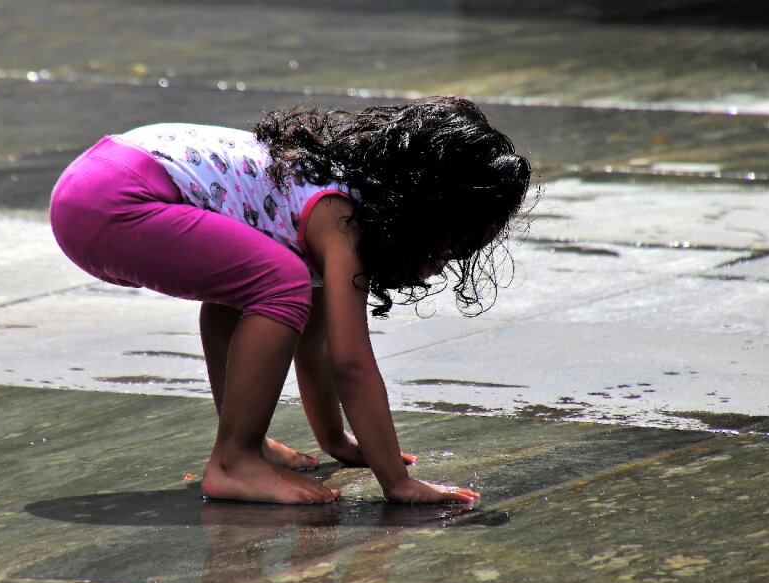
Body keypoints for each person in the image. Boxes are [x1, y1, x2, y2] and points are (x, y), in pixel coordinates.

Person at [49, 96, 531, 505]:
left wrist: (336, 441)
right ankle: (234, 460)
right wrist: (398, 481)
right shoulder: (340, 218)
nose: (449, 259)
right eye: (454, 243)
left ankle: (245, 444)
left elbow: (317, 346)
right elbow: (351, 363)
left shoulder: (322, 195)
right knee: (280, 282)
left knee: (250, 288)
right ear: (423, 211)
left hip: (92, 184)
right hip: (117, 200)